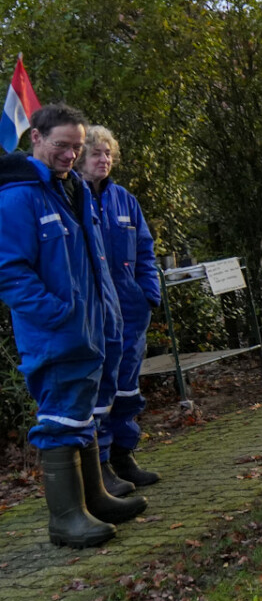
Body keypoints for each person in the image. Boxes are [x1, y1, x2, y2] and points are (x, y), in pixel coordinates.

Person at [0, 104, 145, 547]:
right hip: (57, 332)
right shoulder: (17, 197)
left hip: (94, 328)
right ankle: (66, 519)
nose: (70, 155)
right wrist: (58, 315)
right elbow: (9, 271)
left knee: (84, 414)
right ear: (36, 138)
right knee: (60, 418)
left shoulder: (74, 190)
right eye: (62, 145)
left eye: (77, 147)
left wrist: (107, 315)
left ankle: (94, 498)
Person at [79, 126, 164, 489]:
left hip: (130, 309)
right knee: (98, 388)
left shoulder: (125, 199)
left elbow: (145, 249)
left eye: (108, 153)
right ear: (80, 158)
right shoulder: (70, 197)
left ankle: (123, 455)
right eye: (96, 153)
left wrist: (148, 295)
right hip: (93, 310)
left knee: (127, 387)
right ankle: (100, 466)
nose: (104, 159)